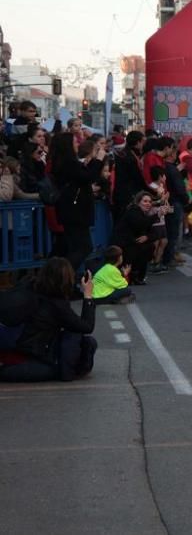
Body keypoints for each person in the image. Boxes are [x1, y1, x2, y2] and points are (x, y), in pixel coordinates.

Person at [0, 258, 98, 383]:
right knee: (52, 370)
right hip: (25, 353)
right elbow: (87, 326)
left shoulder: (27, 284)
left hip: (8, 343)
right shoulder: (57, 306)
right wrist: (88, 295)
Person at [50, 132, 106, 271]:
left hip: (73, 210)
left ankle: (64, 279)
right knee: (83, 247)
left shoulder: (67, 162)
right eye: (75, 142)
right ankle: (62, 275)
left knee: (71, 247)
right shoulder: (68, 162)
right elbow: (87, 177)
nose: (78, 144)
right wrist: (98, 160)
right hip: (74, 210)